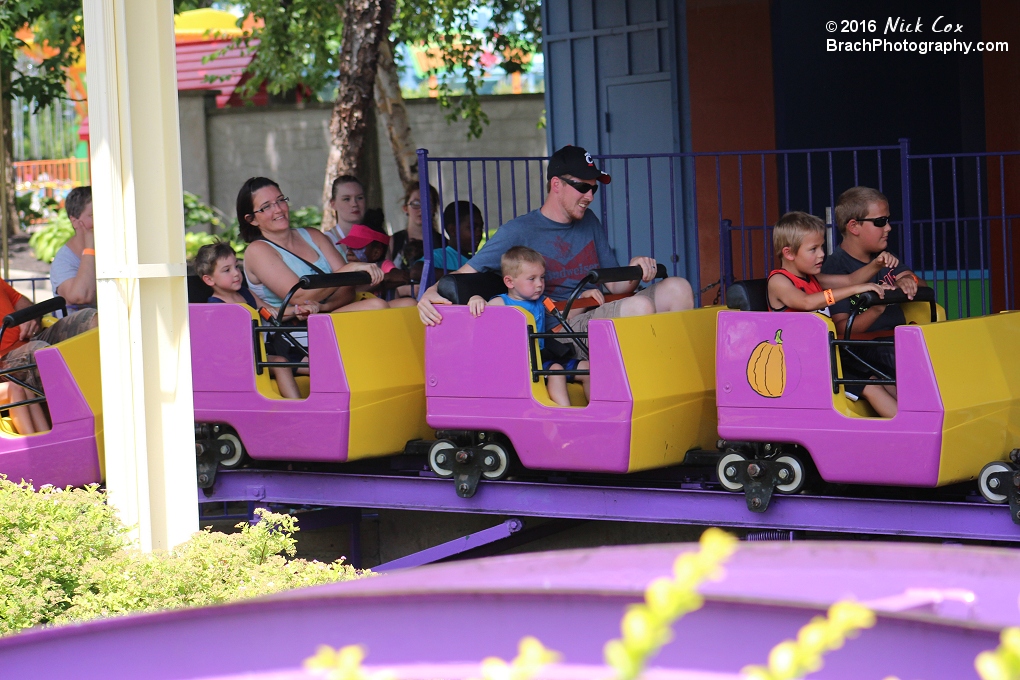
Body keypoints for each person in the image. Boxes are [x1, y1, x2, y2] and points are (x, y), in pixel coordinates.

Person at [417, 145, 695, 333]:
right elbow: (462, 276)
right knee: (640, 306)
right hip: (560, 327)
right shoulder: (518, 231)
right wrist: (429, 294)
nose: (589, 196)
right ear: (556, 185)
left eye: (593, 190)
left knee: (678, 287)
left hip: (600, 308)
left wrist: (637, 268)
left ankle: (677, 385)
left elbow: (615, 284)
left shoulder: (589, 221)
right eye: (583, 188)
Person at [766, 211, 897, 417]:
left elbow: (851, 280)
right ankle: (912, 434)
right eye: (813, 249)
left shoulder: (813, 278)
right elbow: (806, 302)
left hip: (828, 354)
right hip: (802, 362)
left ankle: (920, 422)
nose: (821, 255)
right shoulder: (779, 281)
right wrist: (857, 290)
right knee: (870, 387)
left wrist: (876, 264)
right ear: (789, 253)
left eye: (821, 247)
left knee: (882, 377)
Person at [237, 177, 388, 317]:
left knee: (407, 303)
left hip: (328, 313)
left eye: (280, 200)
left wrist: (325, 307)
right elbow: (300, 296)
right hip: (295, 329)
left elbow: (348, 287)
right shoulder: (258, 251)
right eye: (266, 207)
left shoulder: (313, 235)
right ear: (252, 220)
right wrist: (349, 268)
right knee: (377, 305)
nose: (278, 209)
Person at [822, 186, 925, 385]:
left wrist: (907, 280)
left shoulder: (884, 257)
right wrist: (877, 308)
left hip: (898, 340)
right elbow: (843, 330)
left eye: (887, 220)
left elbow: (916, 280)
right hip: (865, 348)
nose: (888, 228)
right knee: (916, 361)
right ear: (854, 226)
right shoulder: (836, 267)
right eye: (880, 222)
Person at [467, 247, 589, 407]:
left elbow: (565, 314)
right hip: (518, 365)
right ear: (510, 282)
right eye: (532, 279)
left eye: (542, 278)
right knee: (556, 370)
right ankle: (566, 417)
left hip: (542, 357)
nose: (539, 284)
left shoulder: (542, 301)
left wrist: (583, 298)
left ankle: (602, 415)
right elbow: (480, 322)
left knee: (588, 368)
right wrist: (475, 298)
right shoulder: (501, 304)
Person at [194, 242, 315, 399]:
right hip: (242, 358)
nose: (236, 273)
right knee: (280, 362)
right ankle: (298, 410)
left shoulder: (245, 293)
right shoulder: (216, 307)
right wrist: (258, 316)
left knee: (314, 365)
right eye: (227, 270)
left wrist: (298, 309)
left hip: (266, 350)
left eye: (236, 267)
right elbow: (227, 343)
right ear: (209, 280)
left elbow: (273, 312)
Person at [50, 186, 97, 313]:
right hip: (78, 330)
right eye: (93, 215)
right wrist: (90, 249)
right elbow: (81, 296)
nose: (101, 220)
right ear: (74, 221)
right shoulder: (63, 261)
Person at [391, 182, 442, 270]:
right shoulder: (394, 241)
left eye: (427, 204)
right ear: (405, 208)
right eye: (416, 203)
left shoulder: (443, 242)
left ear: (433, 209)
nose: (421, 209)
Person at [323, 175, 367, 249]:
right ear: (333, 204)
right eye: (346, 199)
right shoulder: (326, 242)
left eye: (359, 198)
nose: (354, 204)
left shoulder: (376, 238)